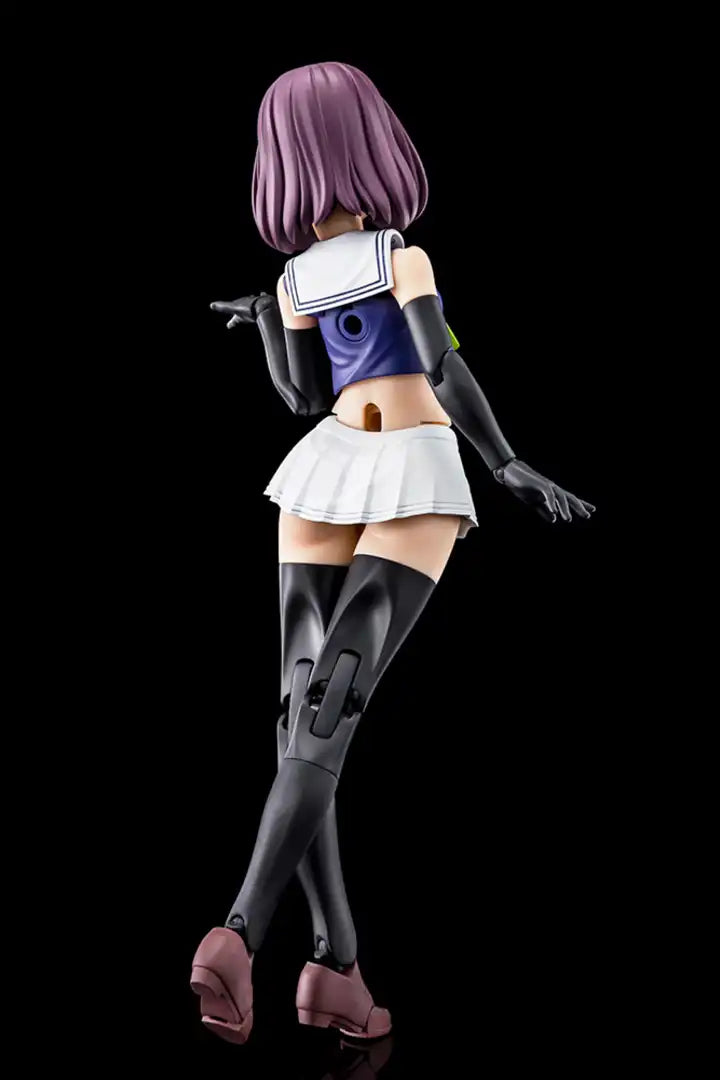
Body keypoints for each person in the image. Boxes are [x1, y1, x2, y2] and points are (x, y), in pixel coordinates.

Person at [191, 61, 595, 1044]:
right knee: (330, 704)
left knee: (304, 709)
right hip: (409, 458)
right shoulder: (398, 256)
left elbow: (299, 396)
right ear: (370, 142)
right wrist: (505, 462)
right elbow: (441, 364)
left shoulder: (293, 279)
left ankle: (336, 963)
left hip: (325, 466)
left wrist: (266, 323)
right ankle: (239, 928)